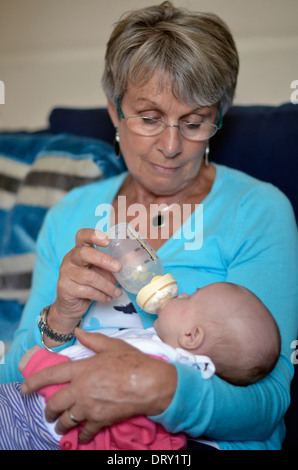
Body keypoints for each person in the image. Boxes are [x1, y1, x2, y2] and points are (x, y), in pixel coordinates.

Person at [0, 1, 297, 451]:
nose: (172, 146)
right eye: (150, 118)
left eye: (194, 122)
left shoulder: (256, 211)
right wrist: (60, 316)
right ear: (115, 112)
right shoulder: (70, 215)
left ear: (217, 118)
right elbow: (9, 382)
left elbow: (269, 403)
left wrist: (159, 387)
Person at [0, 282, 281, 450]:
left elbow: (91, 404)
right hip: (22, 399)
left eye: (190, 299)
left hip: (34, 425)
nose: (181, 295)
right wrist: (61, 320)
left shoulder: (159, 364)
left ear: (192, 336)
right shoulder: (156, 343)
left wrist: (40, 362)